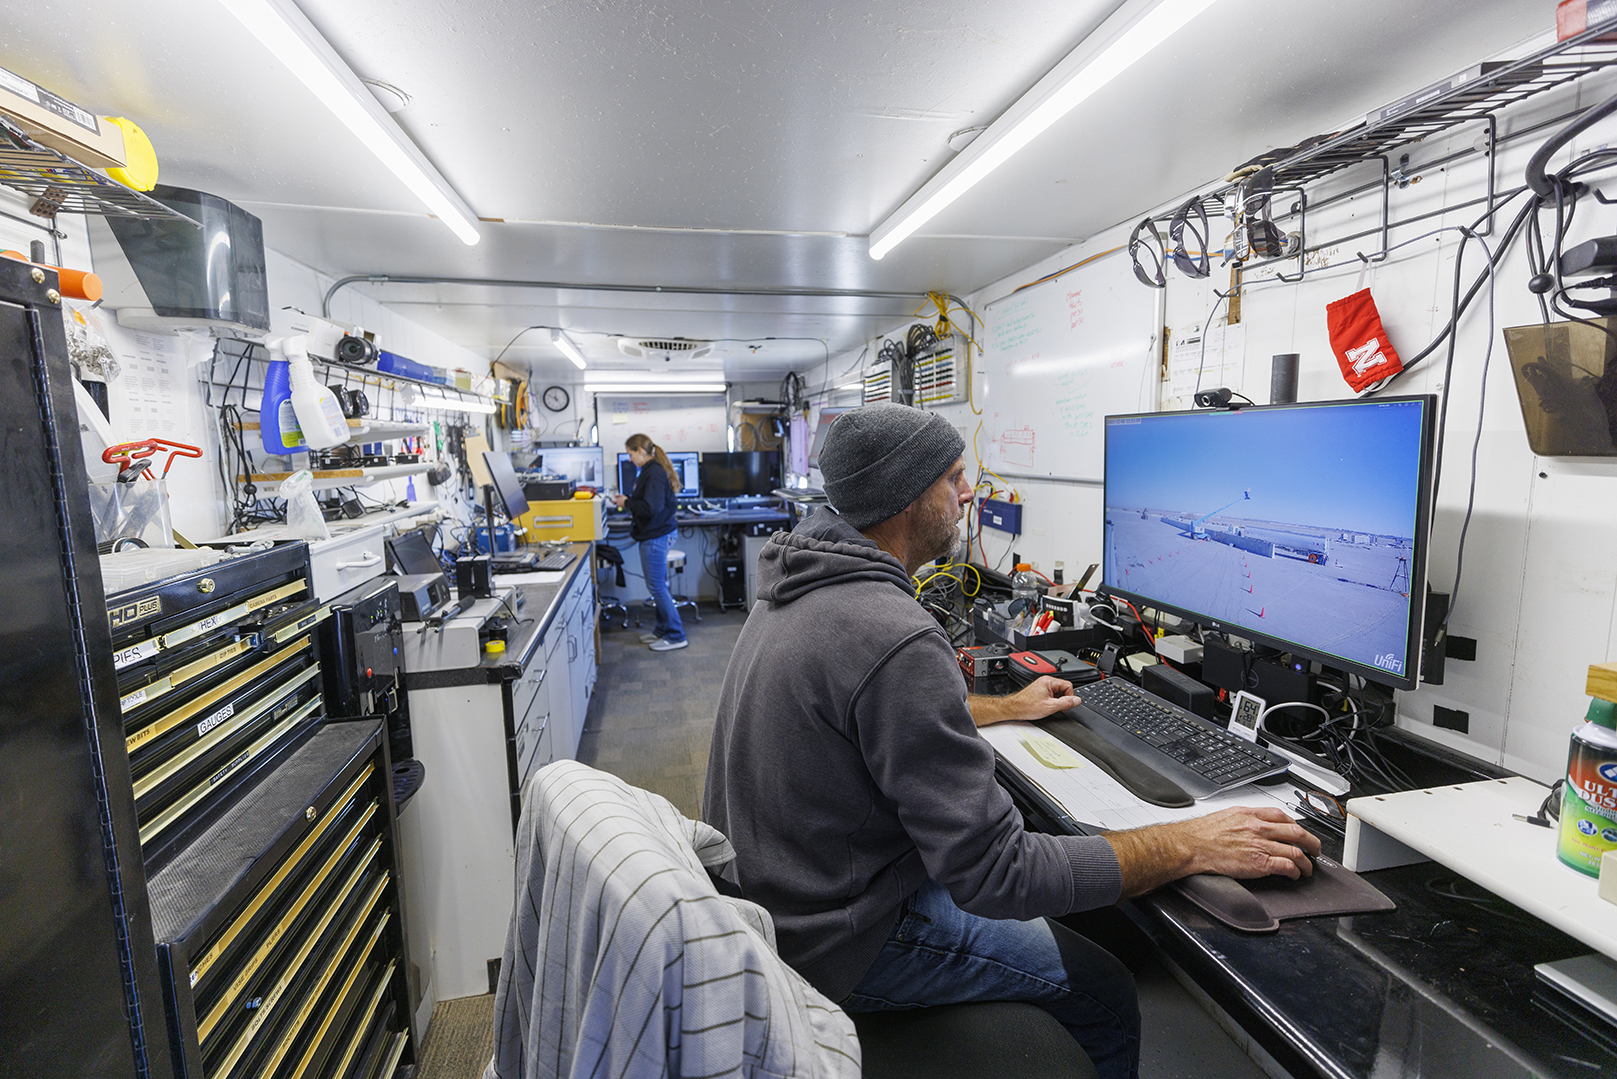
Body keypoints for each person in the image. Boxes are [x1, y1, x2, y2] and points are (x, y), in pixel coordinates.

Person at [703, 403, 1320, 1079]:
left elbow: (869, 718)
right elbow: (997, 873)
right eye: (954, 476)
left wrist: (1005, 707)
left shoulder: (803, 580)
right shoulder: (891, 631)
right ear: (906, 497)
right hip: (841, 939)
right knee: (1105, 989)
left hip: (787, 900)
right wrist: (1188, 841)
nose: (969, 492)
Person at [612, 433, 687, 651]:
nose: (629, 459)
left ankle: (676, 635)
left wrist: (627, 503)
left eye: (630, 453)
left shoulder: (653, 472)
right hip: (656, 533)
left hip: (657, 535)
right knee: (656, 586)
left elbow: (650, 508)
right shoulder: (649, 470)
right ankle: (662, 630)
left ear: (641, 451)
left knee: (657, 586)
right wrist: (629, 501)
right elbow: (648, 503)